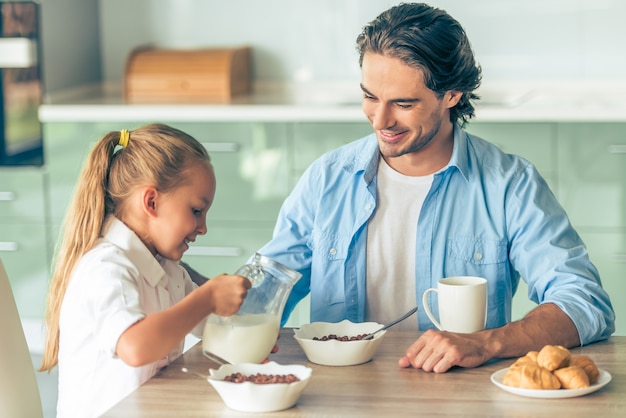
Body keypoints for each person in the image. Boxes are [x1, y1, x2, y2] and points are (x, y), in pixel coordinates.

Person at [256, 3, 615, 373]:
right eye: (370, 97)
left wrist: (486, 342)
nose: (380, 120)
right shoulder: (326, 179)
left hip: (459, 396)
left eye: (403, 103)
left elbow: (585, 303)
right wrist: (204, 295)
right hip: (340, 394)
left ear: (452, 94)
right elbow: (263, 293)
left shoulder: (510, 185)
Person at [39, 124, 251, 418]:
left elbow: (210, 327)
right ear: (151, 202)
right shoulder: (106, 269)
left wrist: (251, 341)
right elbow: (135, 346)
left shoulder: (167, 270)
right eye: (196, 211)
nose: (203, 227)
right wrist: (208, 296)